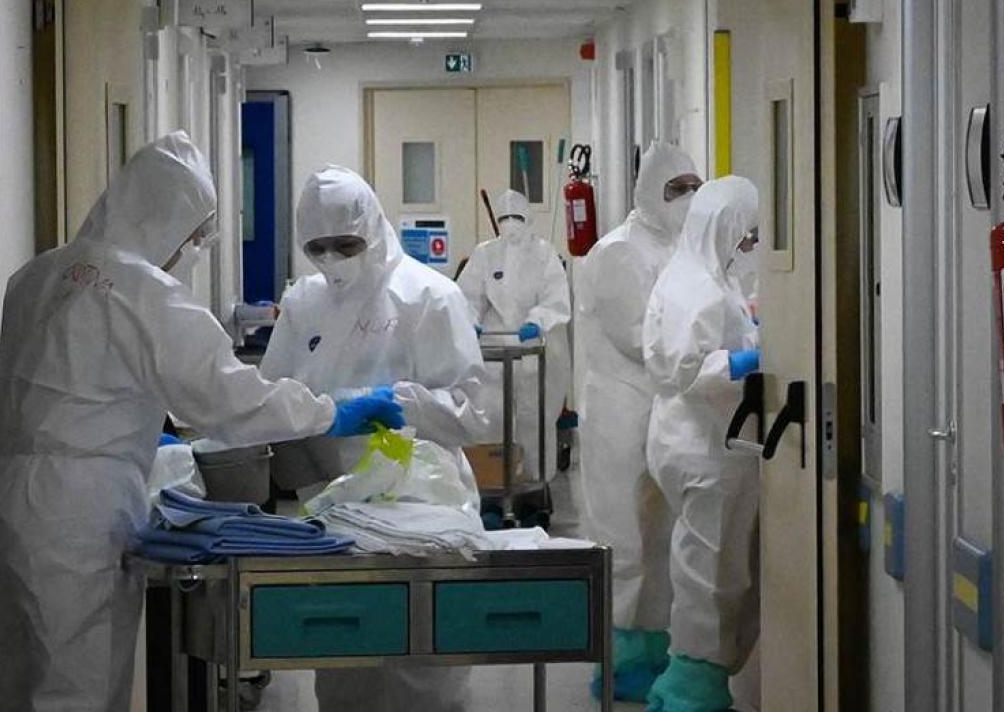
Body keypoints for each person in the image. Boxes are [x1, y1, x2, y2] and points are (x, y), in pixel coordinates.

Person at [0, 132, 403, 712]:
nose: (195, 250)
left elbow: (72, 382)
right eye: (197, 236)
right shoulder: (145, 292)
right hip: (80, 510)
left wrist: (122, 426)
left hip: (4, 499)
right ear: (167, 220)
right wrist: (330, 413)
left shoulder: (35, 274)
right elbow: (231, 400)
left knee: (14, 678)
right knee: (76, 687)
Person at [260, 165, 491, 711]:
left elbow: (474, 412)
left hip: (424, 505)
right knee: (345, 663)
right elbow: (271, 397)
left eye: (346, 244)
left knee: (426, 666)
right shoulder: (304, 303)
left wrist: (401, 402)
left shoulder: (428, 296)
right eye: (318, 248)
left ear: (372, 226)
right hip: (334, 507)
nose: (332, 259)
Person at [574, 142, 702, 701]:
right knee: (622, 536)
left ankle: (654, 646)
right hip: (620, 412)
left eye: (694, 187)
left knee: (661, 534)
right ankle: (619, 653)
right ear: (649, 190)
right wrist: (708, 352)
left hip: (664, 407)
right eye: (676, 188)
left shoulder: (682, 247)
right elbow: (639, 337)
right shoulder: (618, 251)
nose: (686, 198)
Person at [642, 177, 761, 712]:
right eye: (747, 234)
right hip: (704, 446)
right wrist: (744, 363)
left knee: (701, 563)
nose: (749, 245)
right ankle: (693, 688)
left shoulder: (697, 272)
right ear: (726, 226)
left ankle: (688, 677)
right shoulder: (699, 286)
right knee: (710, 574)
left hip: (686, 438)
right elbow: (688, 368)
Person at [457, 188, 572, 483]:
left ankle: (535, 484)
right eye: (504, 218)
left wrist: (537, 321)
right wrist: (469, 321)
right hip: (494, 354)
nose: (510, 223)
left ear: (528, 219)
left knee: (534, 420)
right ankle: (493, 480)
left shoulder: (544, 254)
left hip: (534, 352)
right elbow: (467, 296)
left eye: (516, 217)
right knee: (492, 418)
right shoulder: (485, 253)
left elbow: (556, 300)